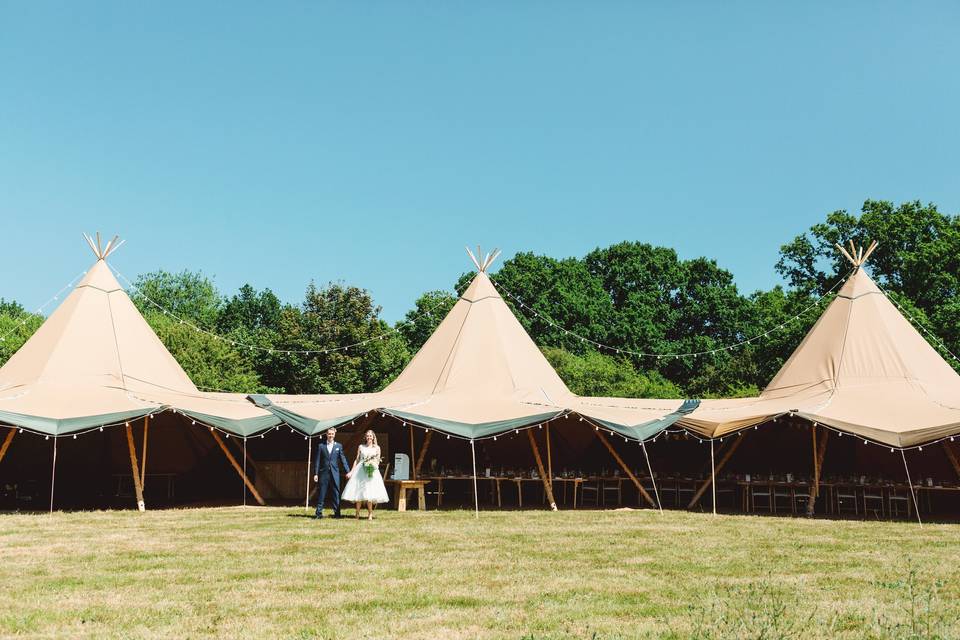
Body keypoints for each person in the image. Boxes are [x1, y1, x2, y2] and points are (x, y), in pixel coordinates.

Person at [341, 430, 389, 520]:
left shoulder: (377, 448)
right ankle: (357, 513)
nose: (369, 437)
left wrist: (371, 466)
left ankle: (370, 513)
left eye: (370, 436)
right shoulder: (361, 447)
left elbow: (378, 461)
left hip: (371, 470)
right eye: (367, 436)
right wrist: (351, 471)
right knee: (359, 491)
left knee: (369, 492)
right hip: (360, 470)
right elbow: (357, 459)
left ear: (373, 437)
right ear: (365, 437)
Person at [312, 427, 351, 519]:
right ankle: (318, 514)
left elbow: (343, 459)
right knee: (322, 493)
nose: (330, 435)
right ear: (326, 434)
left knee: (336, 494)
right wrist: (316, 474)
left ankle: (337, 514)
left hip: (335, 473)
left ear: (334, 435)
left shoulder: (339, 446)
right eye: (329, 434)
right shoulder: (321, 446)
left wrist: (348, 471)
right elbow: (317, 461)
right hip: (323, 473)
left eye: (332, 434)